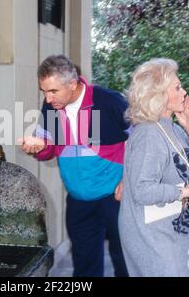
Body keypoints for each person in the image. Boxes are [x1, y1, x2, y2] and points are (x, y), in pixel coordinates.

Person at [18, 55, 129, 277]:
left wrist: (130, 178)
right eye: (44, 92)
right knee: (85, 268)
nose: (48, 99)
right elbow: (49, 148)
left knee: (126, 262)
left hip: (116, 198)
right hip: (79, 201)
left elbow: (142, 139)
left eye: (53, 91)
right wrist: (39, 147)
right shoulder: (51, 108)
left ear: (72, 84)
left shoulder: (109, 101)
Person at [119, 58, 189, 277]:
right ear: (159, 95)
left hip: (173, 229)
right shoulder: (149, 133)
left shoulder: (171, 127)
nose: (184, 92)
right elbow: (142, 190)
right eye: (177, 87)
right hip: (152, 236)